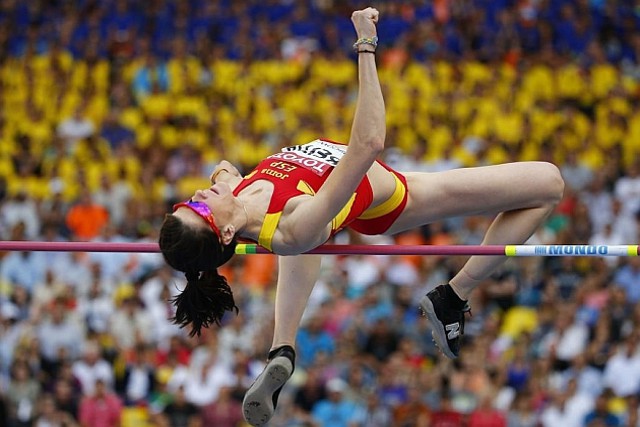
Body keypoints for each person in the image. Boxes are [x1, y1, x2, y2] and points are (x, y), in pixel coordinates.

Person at [158, 7, 564, 426]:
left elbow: (224, 167)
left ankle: (283, 349)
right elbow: (368, 143)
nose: (197, 195)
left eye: (187, 203)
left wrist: (223, 183)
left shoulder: (236, 192)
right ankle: (455, 295)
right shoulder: (289, 224)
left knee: (299, 238)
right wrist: (365, 45)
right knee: (547, 184)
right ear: (226, 232)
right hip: (394, 196)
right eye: (200, 207)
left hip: (298, 220)